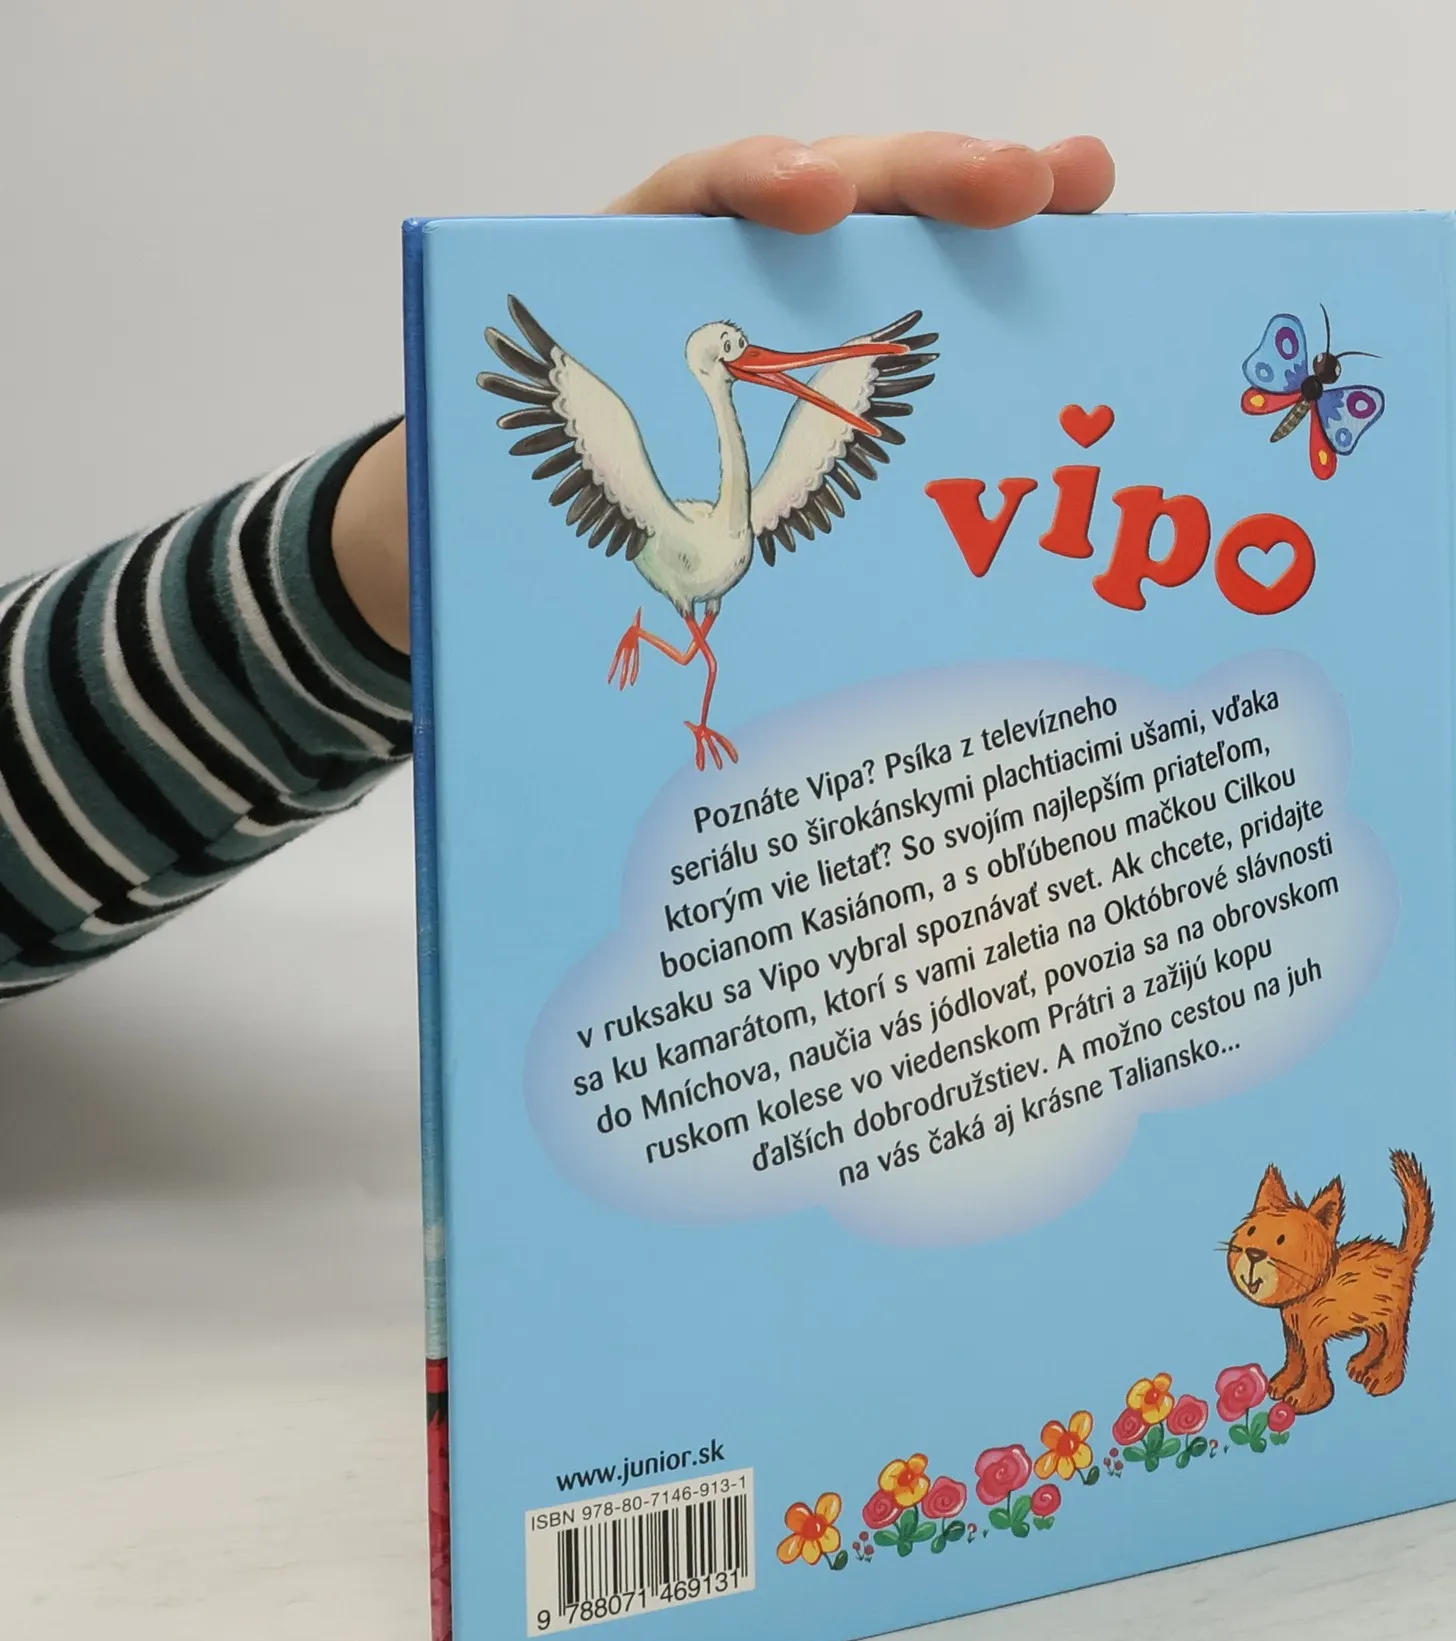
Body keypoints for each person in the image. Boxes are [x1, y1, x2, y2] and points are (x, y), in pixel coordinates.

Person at [0, 133, 1115, 1001]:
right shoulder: (651, 449)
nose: (746, 363)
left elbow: (858, 385)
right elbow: (557, 379)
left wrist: (386, 548)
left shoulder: (768, 482)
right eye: (732, 356)